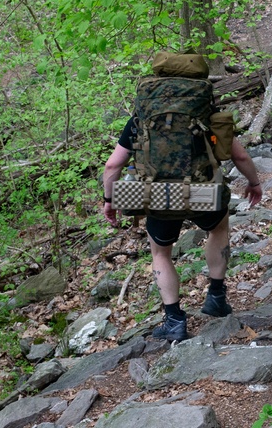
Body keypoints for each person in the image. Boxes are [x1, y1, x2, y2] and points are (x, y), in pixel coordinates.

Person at [102, 116, 262, 342]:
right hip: (203, 191)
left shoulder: (141, 117)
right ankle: (216, 297)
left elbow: (113, 164)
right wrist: (254, 183)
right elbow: (240, 155)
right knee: (218, 229)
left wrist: (109, 199)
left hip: (157, 196)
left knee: (160, 253)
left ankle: (175, 320)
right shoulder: (205, 111)